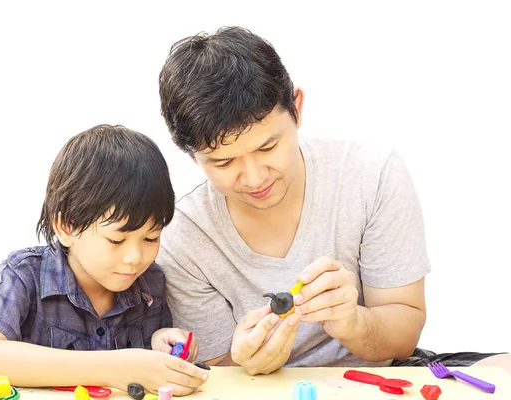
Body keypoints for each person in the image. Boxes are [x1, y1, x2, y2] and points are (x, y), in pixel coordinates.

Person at [157, 26, 509, 374]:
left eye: (268, 147)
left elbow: (403, 335)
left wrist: (353, 322)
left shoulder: (371, 175)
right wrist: (245, 363)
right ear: (193, 157)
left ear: (296, 108)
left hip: (385, 373)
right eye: (223, 162)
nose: (254, 177)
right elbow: (218, 371)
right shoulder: (181, 238)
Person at [0, 124, 208, 395]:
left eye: (151, 238)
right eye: (116, 241)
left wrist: (159, 343)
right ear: (66, 227)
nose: (135, 258)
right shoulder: (24, 275)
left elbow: (145, 366)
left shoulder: (150, 283)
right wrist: (116, 368)